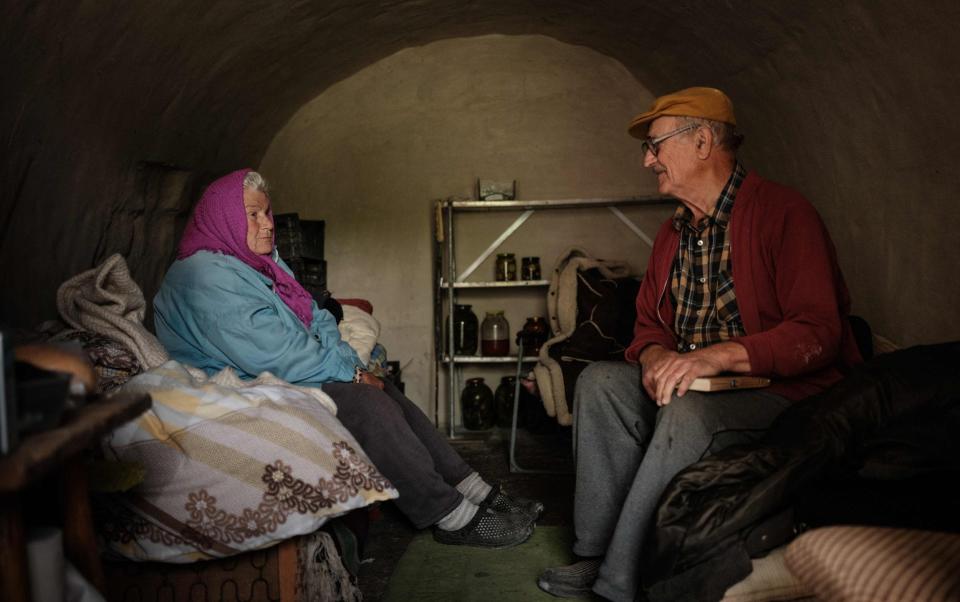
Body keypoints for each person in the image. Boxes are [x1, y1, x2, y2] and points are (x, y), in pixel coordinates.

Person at [537, 87, 862, 600]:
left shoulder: (784, 213)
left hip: (783, 391)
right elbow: (648, 325)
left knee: (687, 406)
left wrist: (713, 357)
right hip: (699, 380)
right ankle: (595, 552)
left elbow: (818, 333)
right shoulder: (673, 233)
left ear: (703, 141)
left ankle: (618, 583)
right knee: (599, 382)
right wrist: (658, 354)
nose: (648, 160)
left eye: (656, 145)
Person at [153, 168, 543, 549]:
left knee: (380, 387)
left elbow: (319, 316)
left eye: (266, 212)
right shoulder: (204, 276)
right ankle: (450, 516)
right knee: (366, 402)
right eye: (252, 215)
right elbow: (277, 354)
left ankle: (475, 490)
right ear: (224, 219)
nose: (267, 224)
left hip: (277, 372)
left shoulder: (258, 266)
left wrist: (351, 367)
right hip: (241, 385)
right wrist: (351, 375)